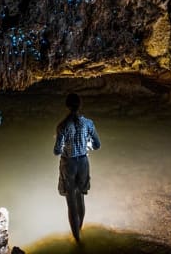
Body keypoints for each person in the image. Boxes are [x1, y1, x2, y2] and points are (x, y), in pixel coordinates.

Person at [53, 92, 101, 242]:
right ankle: (80, 229)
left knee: (71, 203)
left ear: (67, 106)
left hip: (69, 164)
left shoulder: (62, 126)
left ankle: (77, 239)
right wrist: (87, 145)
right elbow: (97, 145)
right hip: (83, 162)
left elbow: (56, 151)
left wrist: (62, 146)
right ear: (80, 105)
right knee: (80, 198)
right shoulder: (88, 123)